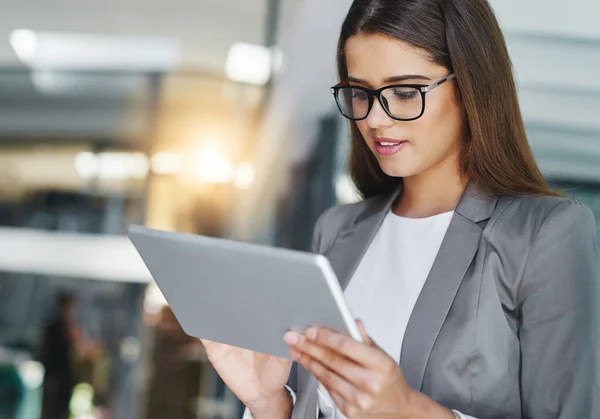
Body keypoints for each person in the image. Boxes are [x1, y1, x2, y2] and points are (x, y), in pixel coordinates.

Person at [200, 0, 600, 418]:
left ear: (471, 87)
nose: (375, 120)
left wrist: (409, 410)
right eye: (360, 93)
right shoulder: (337, 231)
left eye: (405, 92)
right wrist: (270, 403)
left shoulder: (545, 234)